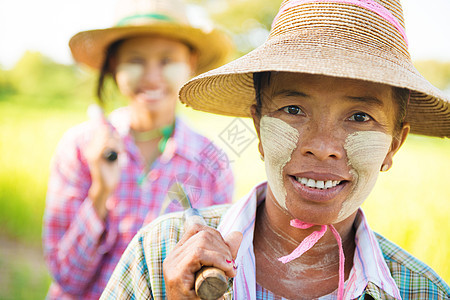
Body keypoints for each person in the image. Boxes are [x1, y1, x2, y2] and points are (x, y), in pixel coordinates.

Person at [102, 0, 450, 299]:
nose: (322, 146)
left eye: (360, 117)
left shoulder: (420, 289)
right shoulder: (159, 254)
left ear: (393, 145)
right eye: (294, 110)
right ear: (258, 127)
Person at [42, 0, 235, 298]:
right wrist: (100, 194)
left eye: (167, 60)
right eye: (135, 60)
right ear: (114, 65)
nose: (152, 76)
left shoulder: (211, 163)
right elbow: (67, 278)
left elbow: (216, 272)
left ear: (191, 63)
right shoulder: (80, 148)